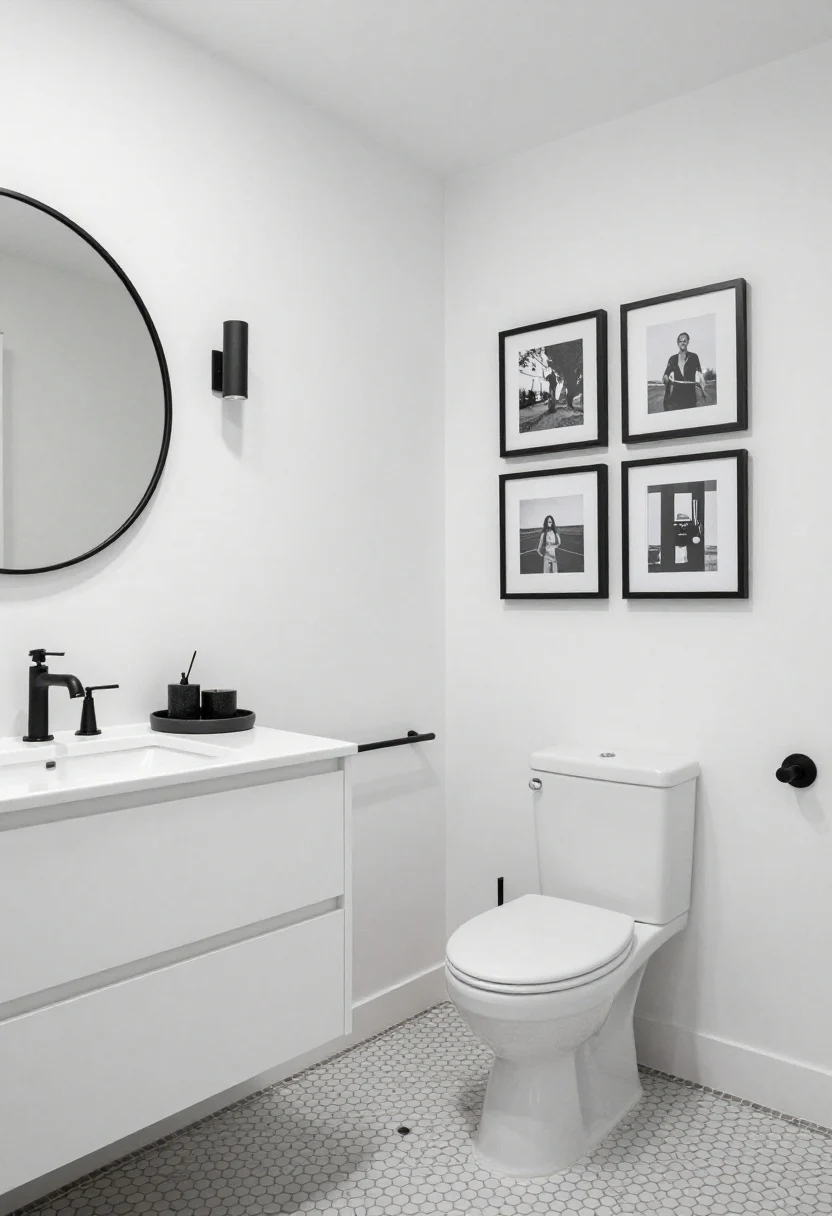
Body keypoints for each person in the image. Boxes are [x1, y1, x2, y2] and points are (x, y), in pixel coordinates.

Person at [662, 332, 706, 410]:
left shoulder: (694, 357)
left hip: (691, 398)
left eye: (684, 341)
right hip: (676, 399)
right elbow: (666, 374)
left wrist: (701, 390)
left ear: (688, 342)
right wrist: (666, 378)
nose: (682, 343)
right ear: (678, 343)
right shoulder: (672, 359)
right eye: (680, 341)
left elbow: (700, 375)